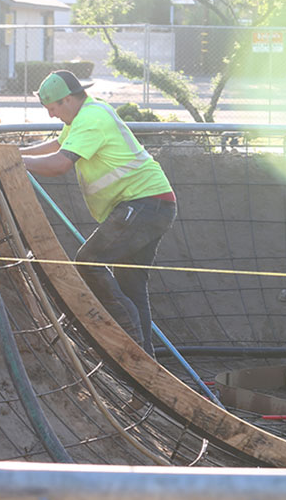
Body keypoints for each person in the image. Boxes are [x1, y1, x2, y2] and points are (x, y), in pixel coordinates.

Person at [20, 70, 176, 357]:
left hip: (144, 204)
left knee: (89, 261)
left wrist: (17, 160)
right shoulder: (87, 112)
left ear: (67, 100)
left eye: (52, 108)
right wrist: (16, 152)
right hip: (152, 204)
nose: (52, 115)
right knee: (131, 286)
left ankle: (128, 341)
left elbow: (58, 164)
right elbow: (57, 145)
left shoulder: (91, 120)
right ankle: (146, 362)